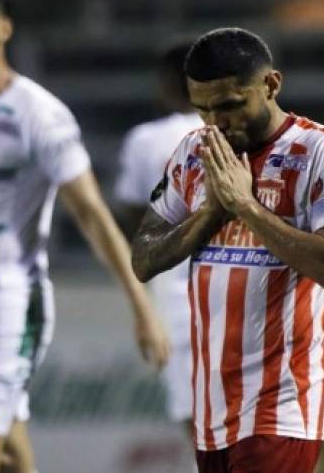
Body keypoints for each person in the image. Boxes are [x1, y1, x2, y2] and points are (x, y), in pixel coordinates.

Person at [0, 0, 170, 473]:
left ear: (4, 29)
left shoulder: (38, 114)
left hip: (10, 303)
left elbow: (91, 214)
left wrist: (141, 306)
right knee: (8, 452)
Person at [131, 28, 324, 473]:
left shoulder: (319, 150)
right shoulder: (194, 154)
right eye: (203, 109)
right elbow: (143, 258)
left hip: (282, 404)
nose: (216, 122)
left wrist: (245, 207)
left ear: (271, 84)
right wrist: (209, 217)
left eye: (230, 105)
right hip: (212, 409)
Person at [115, 42, 201, 435]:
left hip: (177, 299)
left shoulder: (145, 141)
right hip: (242, 289)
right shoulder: (239, 134)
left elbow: (134, 220)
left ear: (166, 84)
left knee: (199, 427)